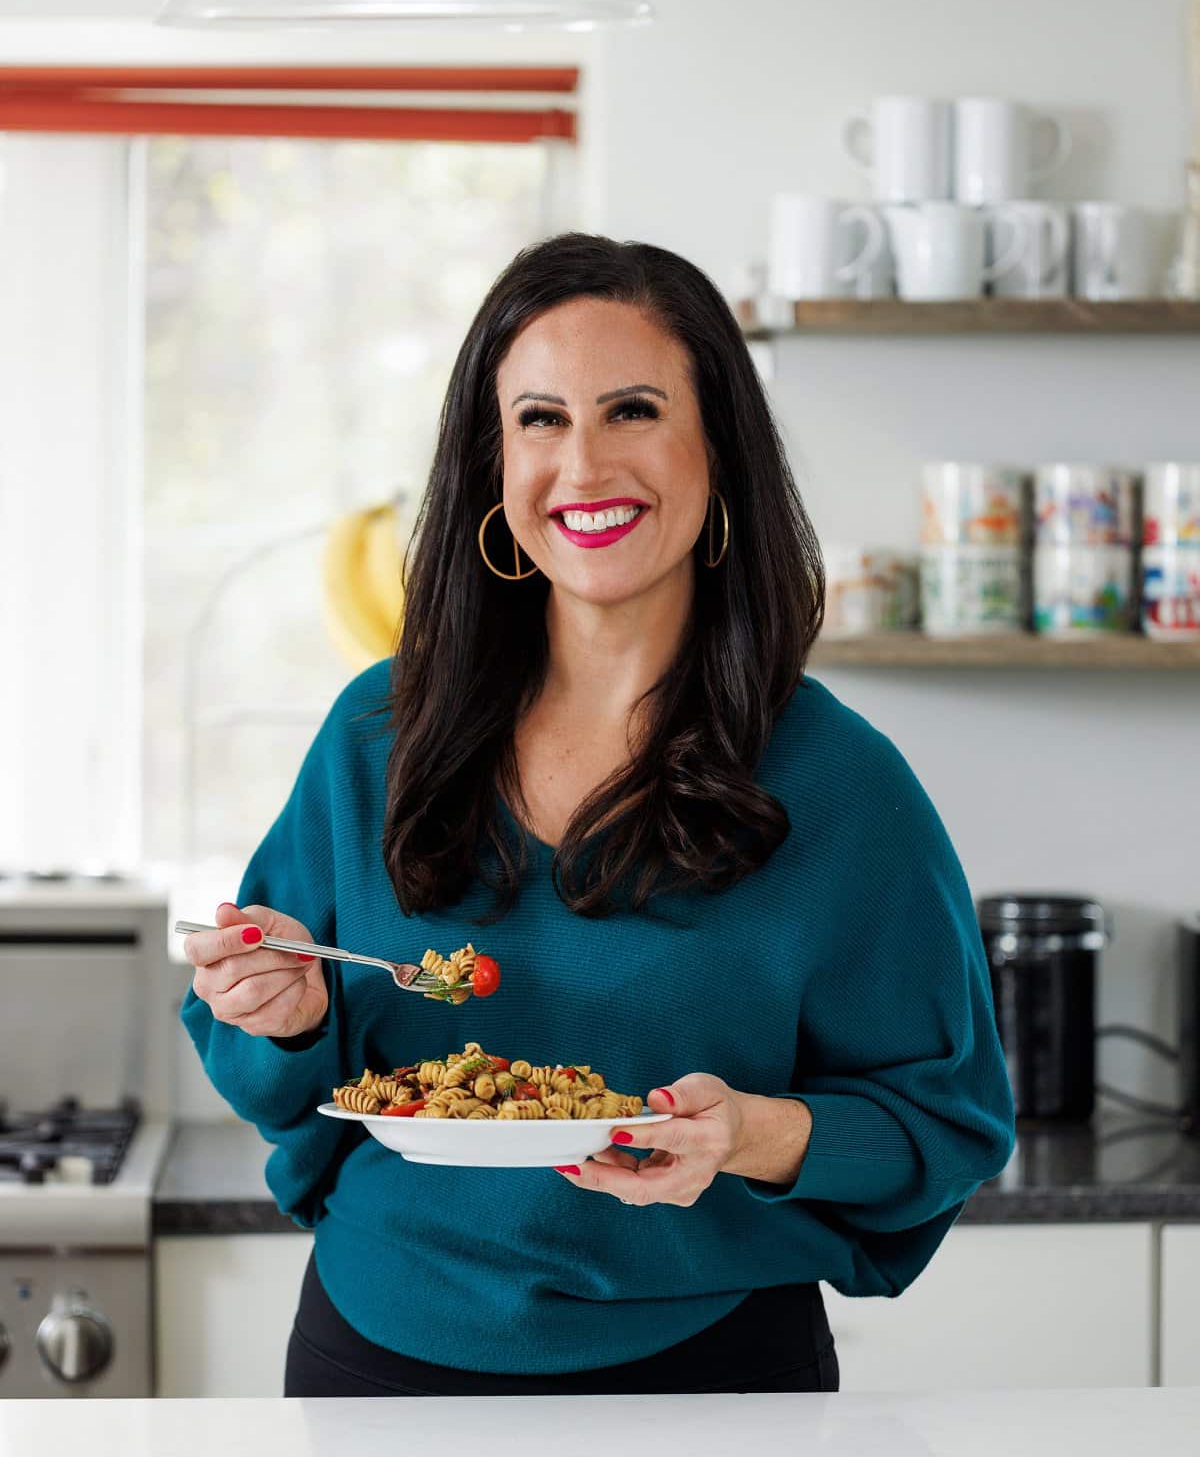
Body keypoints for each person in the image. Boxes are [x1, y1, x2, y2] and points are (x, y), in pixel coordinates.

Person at [180, 231, 1016, 1397]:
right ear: (492, 461)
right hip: (377, 1354)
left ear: (717, 448)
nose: (583, 464)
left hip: (711, 1377)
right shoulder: (380, 731)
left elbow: (946, 1122)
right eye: (539, 418)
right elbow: (272, 1064)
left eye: (632, 410)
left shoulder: (839, 781)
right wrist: (275, 1010)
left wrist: (749, 1133)